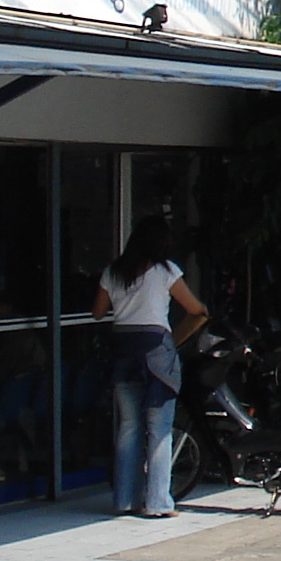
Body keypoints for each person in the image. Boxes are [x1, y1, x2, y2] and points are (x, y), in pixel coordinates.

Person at [91, 218, 205, 519]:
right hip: (156, 352)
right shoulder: (166, 272)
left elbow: (98, 312)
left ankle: (125, 499)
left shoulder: (113, 272)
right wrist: (173, 340)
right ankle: (158, 503)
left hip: (122, 352)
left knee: (128, 427)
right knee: (159, 428)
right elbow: (198, 311)